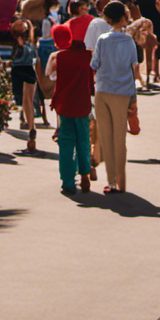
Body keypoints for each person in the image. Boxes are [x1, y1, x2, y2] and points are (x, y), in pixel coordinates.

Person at [90, 1, 139, 194]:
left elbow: (94, 64)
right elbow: (133, 66)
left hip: (103, 89)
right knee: (120, 139)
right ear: (123, 17)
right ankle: (121, 181)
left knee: (106, 136)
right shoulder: (129, 41)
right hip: (123, 91)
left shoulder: (102, 39)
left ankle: (111, 182)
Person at [48, 23, 94, 195]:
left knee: (66, 142)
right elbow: (91, 80)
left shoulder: (58, 56)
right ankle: (85, 175)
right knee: (83, 140)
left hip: (65, 104)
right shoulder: (87, 56)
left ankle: (68, 181)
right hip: (82, 103)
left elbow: (50, 75)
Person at [8, 19, 40, 151]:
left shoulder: (20, 46)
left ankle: (31, 126)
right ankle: (31, 126)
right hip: (27, 71)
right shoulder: (31, 44)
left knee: (24, 100)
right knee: (28, 101)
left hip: (20, 71)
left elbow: (17, 59)